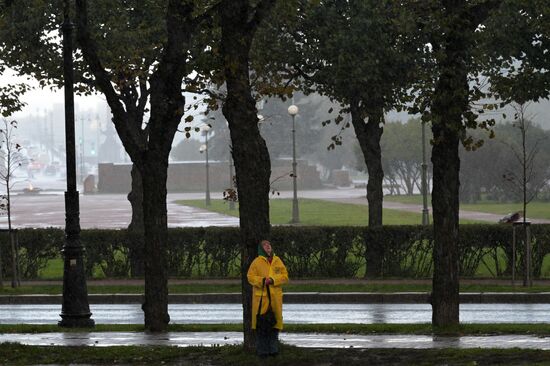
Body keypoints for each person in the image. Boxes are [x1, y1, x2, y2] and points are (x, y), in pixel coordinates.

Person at [247, 239, 289, 357]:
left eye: (269, 244)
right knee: (262, 326)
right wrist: (262, 281)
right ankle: (263, 352)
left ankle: (273, 351)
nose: (268, 246)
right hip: (262, 300)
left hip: (275, 299)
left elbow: (285, 276)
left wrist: (274, 280)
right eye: (265, 245)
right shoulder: (256, 262)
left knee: (274, 325)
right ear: (261, 249)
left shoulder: (277, 261)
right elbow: (250, 277)